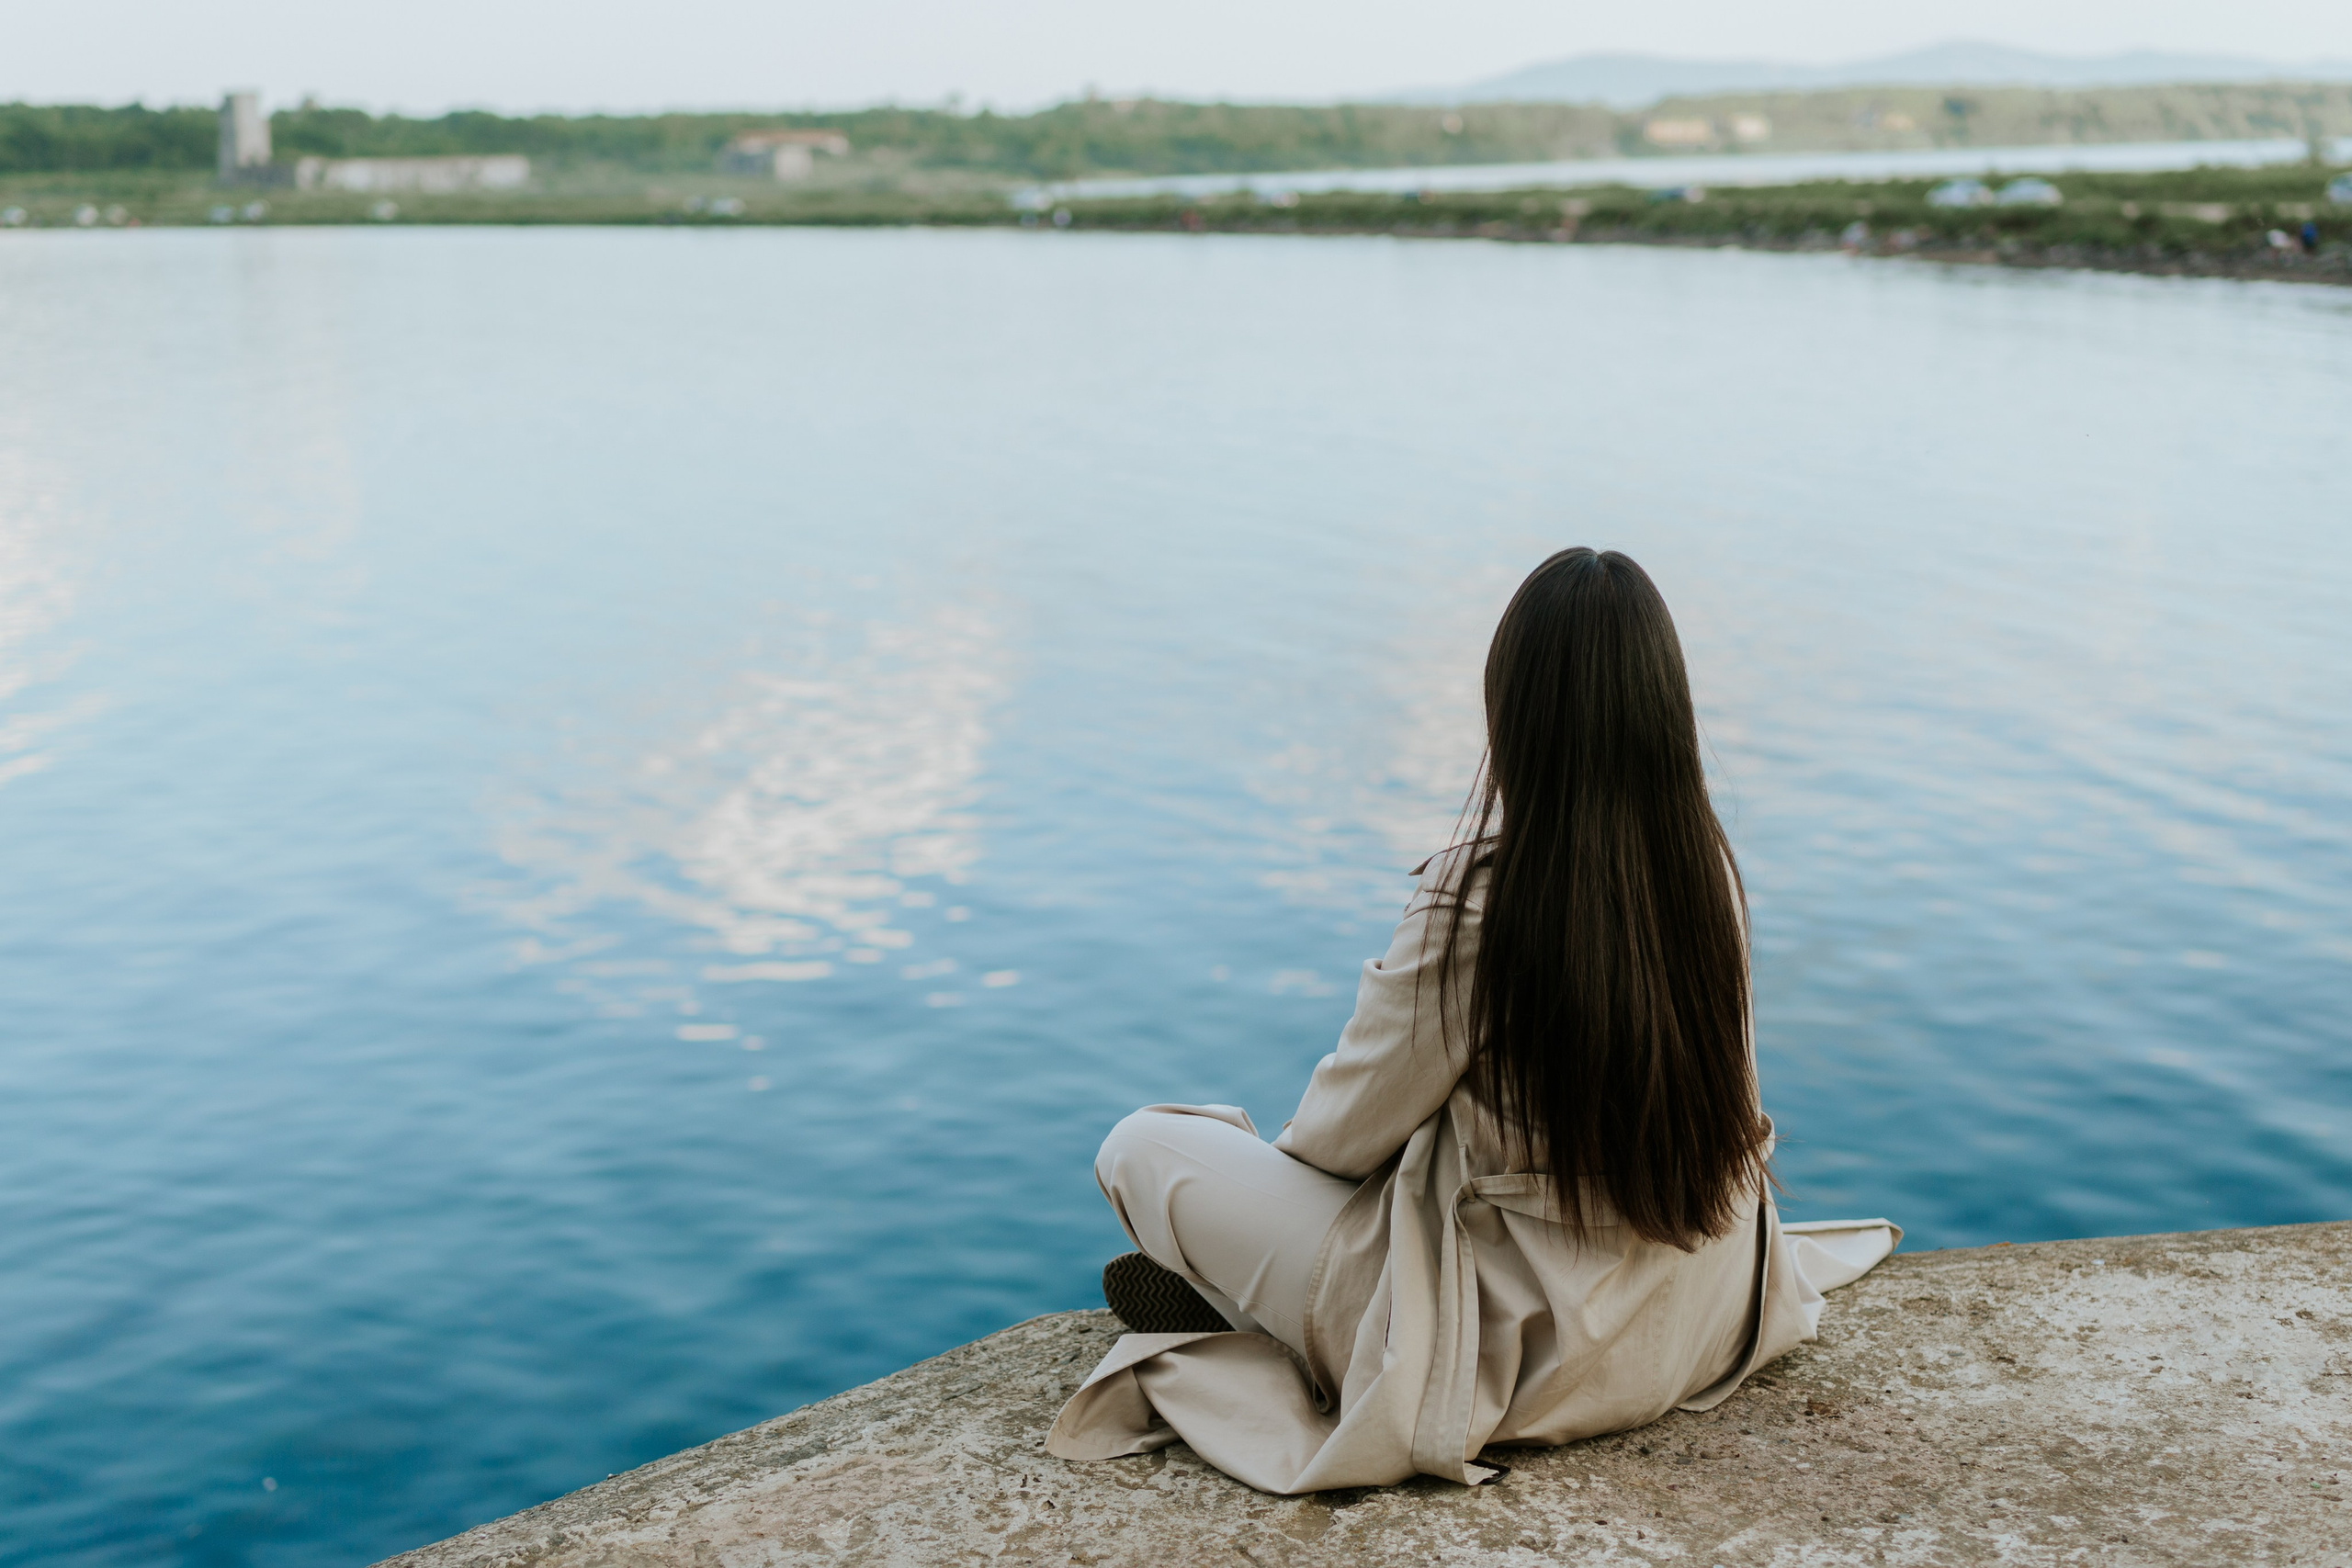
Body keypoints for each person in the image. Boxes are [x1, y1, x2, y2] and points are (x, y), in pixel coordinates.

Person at [1048, 547, 1899, 1495]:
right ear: (1667, 706)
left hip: (1511, 1353)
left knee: (1145, 1145)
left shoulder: (1486, 899)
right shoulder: (1706, 875)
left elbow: (1340, 1134)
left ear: (1514, 707)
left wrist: (1291, 1206)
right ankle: (1249, 1293)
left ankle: (1249, 1304)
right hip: (1688, 1324)